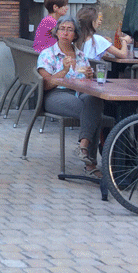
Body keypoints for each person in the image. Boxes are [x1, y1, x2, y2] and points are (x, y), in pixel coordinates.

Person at [36, 14, 105, 177]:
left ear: (75, 35)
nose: (65, 32)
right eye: (62, 29)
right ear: (56, 32)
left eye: (70, 30)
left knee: (94, 100)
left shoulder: (80, 56)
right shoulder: (48, 54)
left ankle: (83, 148)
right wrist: (65, 70)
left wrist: (89, 76)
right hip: (56, 95)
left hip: (80, 93)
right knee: (92, 111)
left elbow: (87, 84)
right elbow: (45, 84)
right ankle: (90, 163)